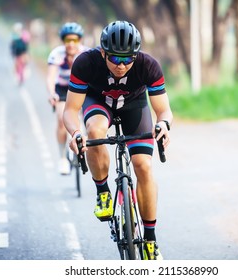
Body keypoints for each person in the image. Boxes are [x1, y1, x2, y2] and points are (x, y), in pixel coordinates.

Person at [63, 20, 173, 260]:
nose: (122, 65)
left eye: (128, 59)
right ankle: (103, 192)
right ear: (103, 52)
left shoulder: (148, 66)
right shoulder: (86, 63)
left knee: (143, 166)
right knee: (95, 131)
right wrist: (75, 133)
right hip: (99, 103)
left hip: (135, 106)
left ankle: (151, 241)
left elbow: (164, 111)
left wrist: (163, 125)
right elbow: (71, 110)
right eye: (115, 58)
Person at [46, 22, 88, 175]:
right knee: (61, 118)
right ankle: (63, 157)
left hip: (83, 88)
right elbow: (50, 77)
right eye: (67, 40)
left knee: (90, 118)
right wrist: (52, 93)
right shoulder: (57, 54)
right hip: (63, 89)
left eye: (75, 40)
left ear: (80, 41)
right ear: (63, 41)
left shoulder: (86, 54)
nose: (71, 44)